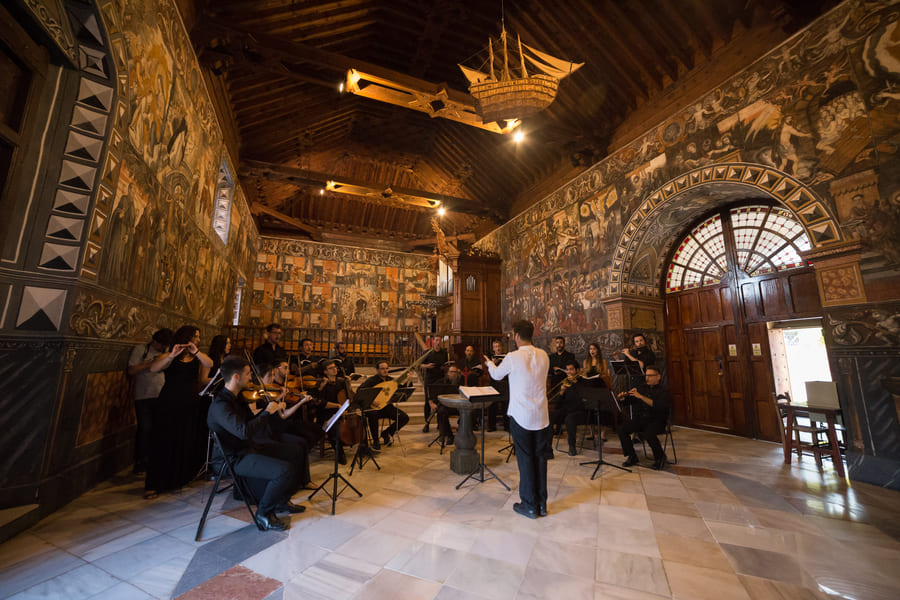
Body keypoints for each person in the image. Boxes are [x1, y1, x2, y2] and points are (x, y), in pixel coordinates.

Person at [207, 356, 306, 531]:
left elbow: (250, 424)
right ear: (236, 377)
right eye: (247, 374)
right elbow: (243, 431)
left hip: (247, 448)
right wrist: (266, 413)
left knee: (296, 451)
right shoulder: (221, 404)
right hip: (233, 458)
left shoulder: (237, 398)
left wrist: (268, 412)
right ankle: (264, 514)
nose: (251, 378)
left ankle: (281, 502)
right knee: (285, 471)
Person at [484, 319, 550, 519]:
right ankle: (541, 505)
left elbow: (496, 376)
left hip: (521, 415)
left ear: (516, 335)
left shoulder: (513, 357)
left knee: (525, 459)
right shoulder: (544, 355)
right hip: (542, 415)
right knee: (540, 459)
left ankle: (529, 505)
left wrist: (489, 363)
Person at [144, 325, 214, 499]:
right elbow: (153, 368)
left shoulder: (197, 357)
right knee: (162, 442)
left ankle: (176, 480)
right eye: (196, 337)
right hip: (168, 404)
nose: (198, 339)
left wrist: (196, 352)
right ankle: (154, 484)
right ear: (187, 337)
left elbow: (210, 364)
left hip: (189, 405)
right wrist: (172, 355)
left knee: (182, 442)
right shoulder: (169, 356)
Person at [127, 328, 173, 474]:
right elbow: (132, 370)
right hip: (143, 396)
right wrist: (150, 364)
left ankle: (153, 460)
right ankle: (140, 462)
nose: (163, 347)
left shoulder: (165, 352)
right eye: (161, 345)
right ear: (155, 341)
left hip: (160, 395)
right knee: (144, 429)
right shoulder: (141, 350)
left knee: (157, 430)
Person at [617, 366, 670, 470]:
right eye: (646, 375)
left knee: (648, 433)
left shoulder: (664, 391)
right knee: (622, 429)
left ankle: (660, 457)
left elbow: (657, 405)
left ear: (658, 377)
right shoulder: (642, 387)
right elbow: (632, 401)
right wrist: (623, 399)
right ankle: (632, 456)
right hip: (642, 419)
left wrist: (640, 396)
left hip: (657, 420)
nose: (647, 378)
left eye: (650, 376)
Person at [356, 361, 409, 449]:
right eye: (382, 369)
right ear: (377, 370)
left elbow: (402, 390)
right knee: (373, 415)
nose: (385, 370)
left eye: (386, 368)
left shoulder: (391, 380)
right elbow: (360, 391)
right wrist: (371, 400)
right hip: (373, 408)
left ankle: (387, 433)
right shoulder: (372, 380)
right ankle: (376, 440)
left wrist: (408, 379)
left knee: (404, 417)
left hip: (386, 407)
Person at [550, 361, 588, 456]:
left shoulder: (583, 382)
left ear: (577, 370)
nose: (568, 372)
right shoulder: (565, 382)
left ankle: (572, 446)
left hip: (580, 411)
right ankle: (547, 447)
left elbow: (582, 400)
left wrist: (574, 383)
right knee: (550, 416)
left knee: (569, 419)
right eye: (567, 370)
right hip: (566, 410)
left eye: (571, 369)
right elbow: (558, 404)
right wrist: (561, 392)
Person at [421, 337, 448, 432]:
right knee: (428, 401)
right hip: (429, 379)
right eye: (436, 340)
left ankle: (439, 423)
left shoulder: (444, 353)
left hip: (440, 379)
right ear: (433, 342)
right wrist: (427, 366)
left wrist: (445, 368)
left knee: (439, 401)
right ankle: (427, 423)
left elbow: (446, 364)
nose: (438, 342)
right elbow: (420, 364)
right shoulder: (427, 352)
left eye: (439, 340)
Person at [434, 365, 462, 445]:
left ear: (457, 373)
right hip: (446, 406)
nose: (453, 374)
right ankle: (449, 435)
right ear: (448, 373)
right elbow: (431, 391)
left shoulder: (461, 382)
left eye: (455, 372)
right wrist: (431, 403)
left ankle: (462, 432)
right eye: (451, 372)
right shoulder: (441, 382)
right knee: (441, 411)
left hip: (458, 406)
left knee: (470, 412)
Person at [486, 339, 509, 432]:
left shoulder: (507, 357)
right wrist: (493, 364)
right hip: (494, 384)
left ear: (502, 347)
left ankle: (507, 426)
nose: (498, 348)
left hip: (504, 384)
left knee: (506, 405)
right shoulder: (490, 358)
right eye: (495, 347)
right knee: (492, 404)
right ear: (493, 349)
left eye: (499, 346)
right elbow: (488, 370)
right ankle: (491, 426)